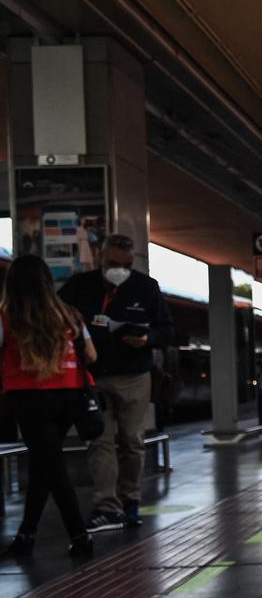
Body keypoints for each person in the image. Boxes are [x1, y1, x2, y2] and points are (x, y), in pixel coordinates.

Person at [57, 234, 172, 533]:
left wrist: (147, 339)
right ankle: (106, 506)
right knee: (100, 442)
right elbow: (58, 318)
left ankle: (130, 500)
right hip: (94, 377)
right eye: (112, 263)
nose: (119, 269)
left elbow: (166, 329)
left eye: (126, 265)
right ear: (100, 258)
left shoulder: (146, 288)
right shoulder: (79, 286)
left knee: (132, 442)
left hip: (135, 375)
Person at [1, 255, 97, 556]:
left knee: (52, 467)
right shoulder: (71, 315)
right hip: (70, 397)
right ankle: (26, 536)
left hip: (29, 398)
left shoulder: (7, 316)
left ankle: (80, 536)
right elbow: (92, 355)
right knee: (44, 464)